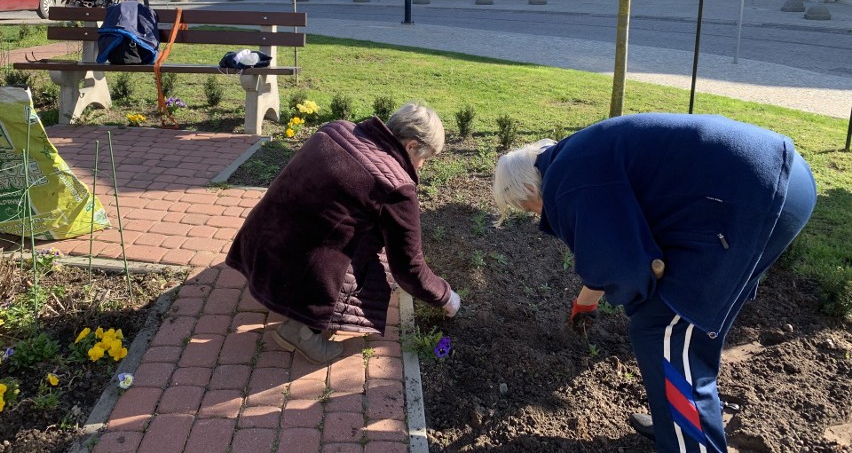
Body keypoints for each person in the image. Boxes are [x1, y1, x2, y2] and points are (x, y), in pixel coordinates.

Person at [493, 113, 816, 453]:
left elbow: (625, 268)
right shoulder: (576, 157)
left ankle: (690, 442)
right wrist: (588, 299)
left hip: (751, 198)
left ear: (528, 187)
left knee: (660, 327)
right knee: (691, 327)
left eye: (527, 207)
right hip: (781, 179)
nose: (534, 214)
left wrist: (639, 302)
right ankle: (675, 422)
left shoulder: (565, 183)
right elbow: (620, 241)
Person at [227, 102, 460, 365]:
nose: (422, 167)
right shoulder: (396, 186)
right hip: (298, 266)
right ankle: (302, 331)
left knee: (356, 227)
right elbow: (409, 268)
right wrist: (447, 298)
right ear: (411, 146)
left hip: (257, 245)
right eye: (425, 159)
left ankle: (280, 291)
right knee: (371, 261)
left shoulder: (336, 129)